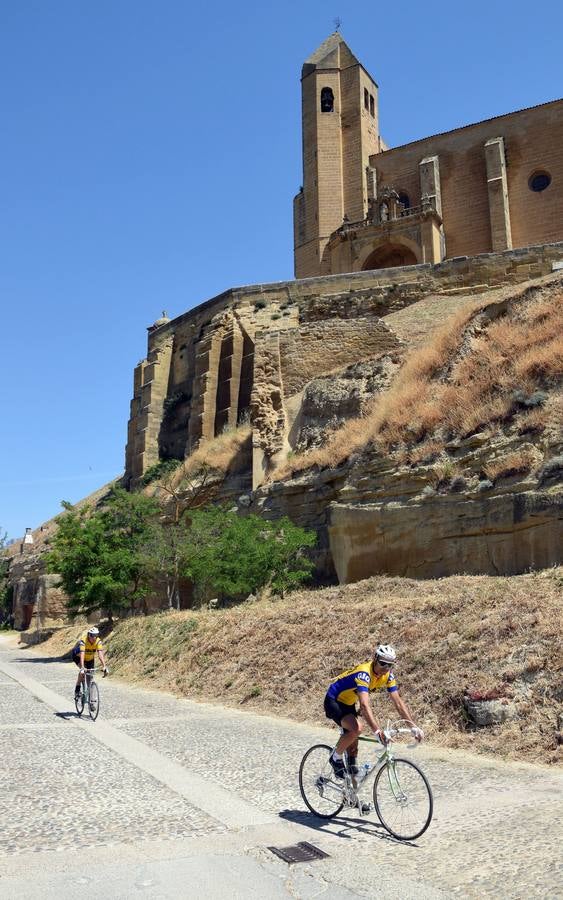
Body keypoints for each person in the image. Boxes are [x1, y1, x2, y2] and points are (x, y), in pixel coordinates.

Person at [324, 644, 423, 778]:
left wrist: (413, 726)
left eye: (390, 665)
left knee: (353, 754)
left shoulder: (388, 676)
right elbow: (364, 706)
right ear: (375, 659)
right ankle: (335, 758)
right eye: (382, 663)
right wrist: (377, 731)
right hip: (334, 700)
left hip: (349, 703)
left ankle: (350, 790)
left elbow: (398, 702)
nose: (385, 668)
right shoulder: (364, 674)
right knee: (356, 728)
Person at [72, 626, 108, 700]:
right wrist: (82, 667)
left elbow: (100, 654)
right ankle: (77, 690)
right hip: (78, 657)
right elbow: (82, 654)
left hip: (89, 659)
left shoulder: (98, 641)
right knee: (82, 673)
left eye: (96, 635)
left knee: (90, 678)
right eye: (92, 635)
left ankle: (91, 700)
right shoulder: (83, 641)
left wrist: (104, 666)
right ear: (89, 635)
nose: (94, 638)